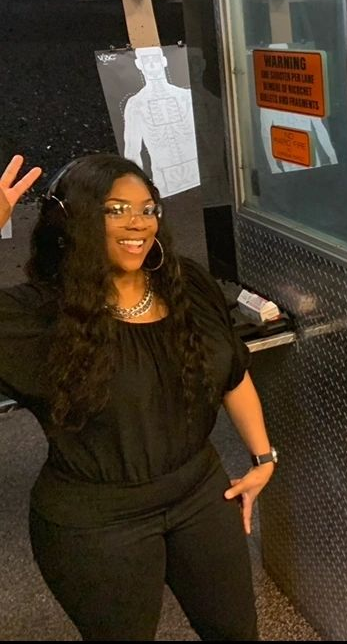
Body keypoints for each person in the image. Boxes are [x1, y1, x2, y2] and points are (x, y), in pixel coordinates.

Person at [0, 153, 275, 640]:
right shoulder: (42, 315)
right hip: (97, 521)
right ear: (76, 221)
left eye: (148, 209)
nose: (137, 223)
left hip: (199, 491)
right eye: (115, 210)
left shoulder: (185, 282)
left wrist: (263, 457)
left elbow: (230, 371)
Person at [123, 47, 201, 197]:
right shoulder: (136, 104)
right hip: (164, 180)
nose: (152, 64)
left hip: (196, 172)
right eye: (147, 60)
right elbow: (132, 151)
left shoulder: (185, 97)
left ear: (164, 61)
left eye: (155, 59)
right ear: (139, 64)